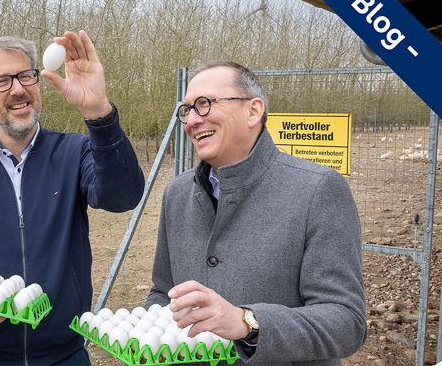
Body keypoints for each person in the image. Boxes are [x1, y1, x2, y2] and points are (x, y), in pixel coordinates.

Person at [0, 31, 146, 365]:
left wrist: (99, 113)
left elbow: (123, 196)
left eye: (26, 76)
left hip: (64, 355)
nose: (19, 89)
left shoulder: (73, 152)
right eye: (2, 81)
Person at [146, 60, 366, 365]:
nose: (192, 121)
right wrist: (148, 335)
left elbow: (346, 323)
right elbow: (163, 291)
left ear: (253, 110)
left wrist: (248, 323)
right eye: (186, 110)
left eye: (204, 104)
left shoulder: (318, 189)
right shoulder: (176, 194)